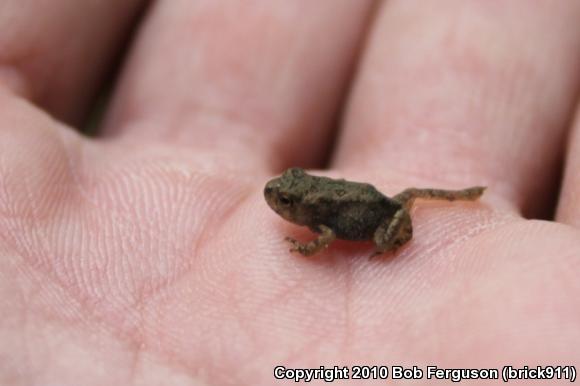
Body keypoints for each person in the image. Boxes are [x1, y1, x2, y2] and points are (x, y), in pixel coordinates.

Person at [1, 1, 579, 384]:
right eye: (284, 196)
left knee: (404, 208)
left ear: (302, 203)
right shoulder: (306, 202)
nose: (279, 200)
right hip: (372, 194)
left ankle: (452, 200)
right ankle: (454, 195)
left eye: (286, 201)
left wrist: (317, 250)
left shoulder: (320, 221)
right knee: (410, 194)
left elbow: (327, 235)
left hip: (373, 211)